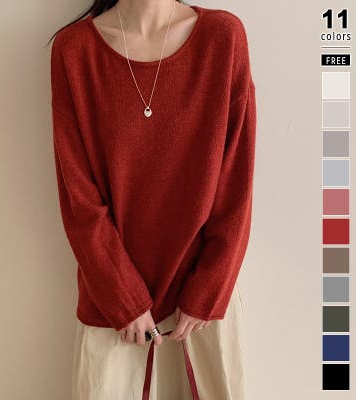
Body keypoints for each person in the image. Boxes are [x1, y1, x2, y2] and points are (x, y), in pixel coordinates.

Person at [49, 0, 256, 398]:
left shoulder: (223, 38)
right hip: (112, 311)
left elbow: (236, 187)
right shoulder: (74, 51)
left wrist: (208, 289)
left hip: (202, 309)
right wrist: (121, 296)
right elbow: (79, 197)